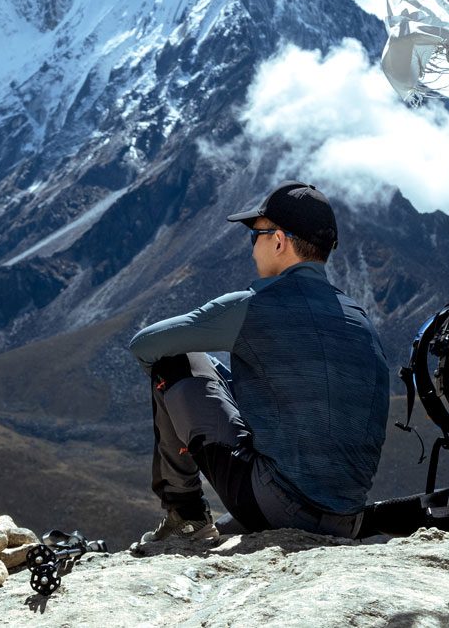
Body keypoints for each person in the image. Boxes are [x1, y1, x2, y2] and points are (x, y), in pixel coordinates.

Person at [128, 180, 389, 542]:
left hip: (278, 507)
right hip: (347, 518)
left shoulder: (254, 305)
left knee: (174, 359)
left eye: (256, 235)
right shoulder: (360, 319)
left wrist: (179, 402)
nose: (253, 248)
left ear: (279, 241)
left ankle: (186, 517)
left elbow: (145, 344)